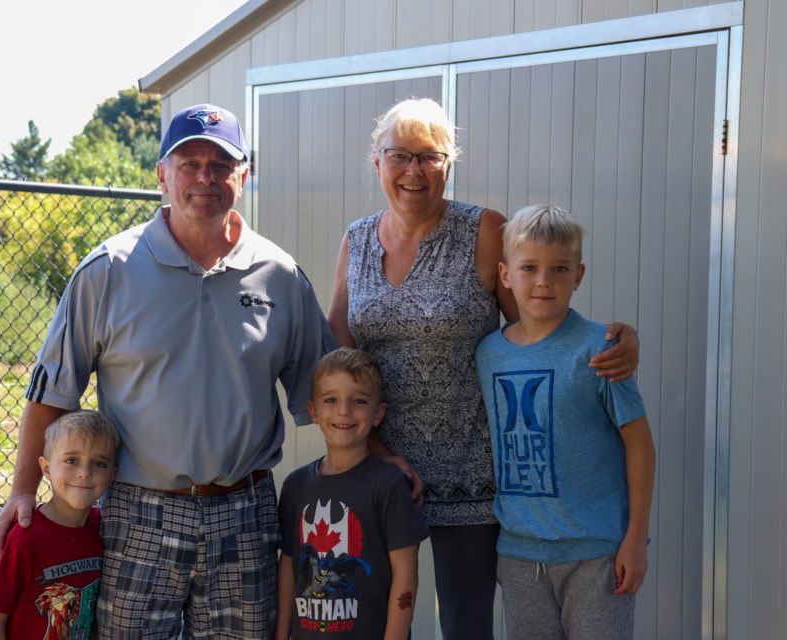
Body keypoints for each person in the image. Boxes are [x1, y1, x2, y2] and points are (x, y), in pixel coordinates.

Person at [0, 103, 336, 639]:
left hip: (243, 511)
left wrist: (376, 465)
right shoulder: (109, 270)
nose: (205, 177)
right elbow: (53, 390)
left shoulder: (280, 277)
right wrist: (21, 491)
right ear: (161, 174)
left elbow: (330, 393)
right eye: (189, 162)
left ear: (244, 176)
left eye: (221, 165)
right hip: (139, 513)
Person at [326, 97, 641, 639]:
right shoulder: (355, 240)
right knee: (367, 612)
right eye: (399, 155)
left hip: (475, 472)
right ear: (376, 161)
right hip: (378, 464)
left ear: (450, 164)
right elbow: (338, 343)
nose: (414, 171)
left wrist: (615, 339)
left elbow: (540, 327)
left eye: (431, 157)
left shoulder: (483, 229)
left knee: (466, 624)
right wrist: (376, 451)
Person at [474, 204, 656, 639]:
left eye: (559, 269)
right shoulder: (487, 354)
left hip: (596, 553)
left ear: (578, 275)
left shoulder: (602, 348)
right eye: (529, 268)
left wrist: (635, 538)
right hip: (519, 555)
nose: (543, 281)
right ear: (505, 274)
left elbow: (640, 445)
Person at [275, 347, 429, 640]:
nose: (344, 410)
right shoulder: (296, 486)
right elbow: (288, 568)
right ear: (313, 412)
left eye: (358, 400)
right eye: (331, 400)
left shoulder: (389, 484)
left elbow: (406, 576)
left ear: (378, 414)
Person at [0, 410, 120, 640]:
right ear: (46, 468)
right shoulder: (26, 536)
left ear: (113, 474)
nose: (84, 473)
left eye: (99, 463)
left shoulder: (104, 528)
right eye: (71, 460)